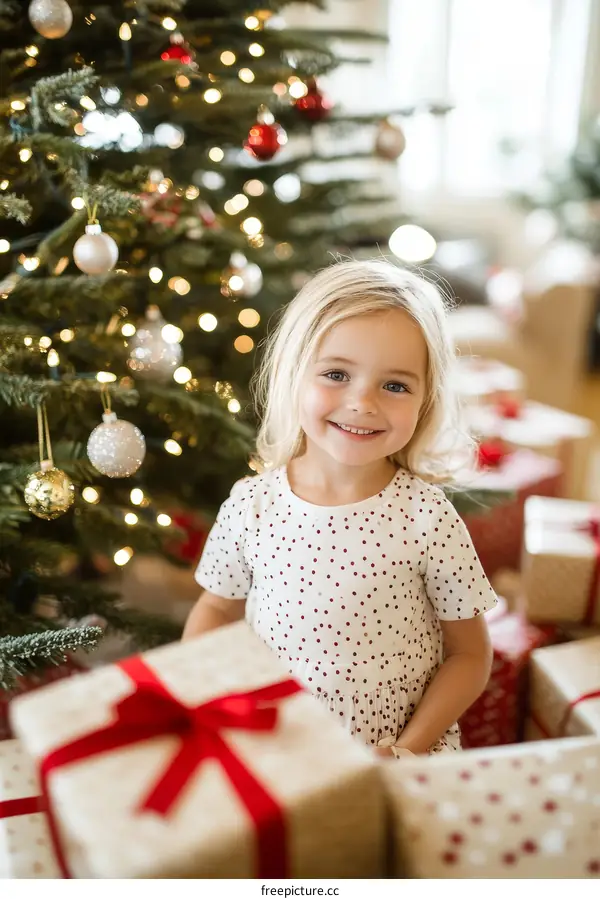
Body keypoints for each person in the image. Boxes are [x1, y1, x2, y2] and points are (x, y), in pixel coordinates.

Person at [183, 259, 496, 757]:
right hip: (279, 751)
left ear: (425, 401)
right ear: (294, 375)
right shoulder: (251, 504)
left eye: (395, 385)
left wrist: (405, 749)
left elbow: (470, 654)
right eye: (336, 374)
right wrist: (207, 696)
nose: (362, 402)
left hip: (395, 756)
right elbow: (217, 608)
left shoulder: (426, 518)